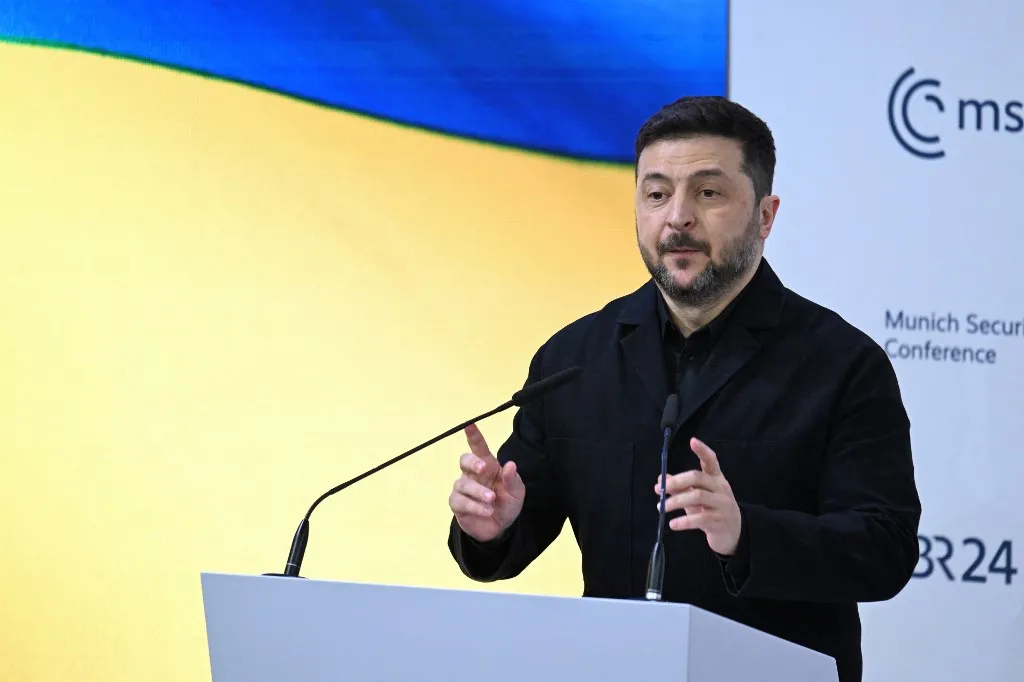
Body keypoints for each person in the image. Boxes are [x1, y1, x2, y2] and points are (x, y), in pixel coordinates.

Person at [446, 95, 921, 682]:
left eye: (709, 192)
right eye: (656, 193)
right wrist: (491, 526)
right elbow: (507, 542)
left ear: (766, 216)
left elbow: (885, 550)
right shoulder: (574, 359)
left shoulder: (843, 363)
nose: (678, 218)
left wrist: (747, 532)